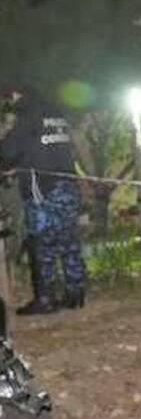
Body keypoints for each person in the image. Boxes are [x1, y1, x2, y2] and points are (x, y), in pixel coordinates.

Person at [0, 89, 86, 316]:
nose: (9, 103)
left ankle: (45, 298)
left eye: (9, 98)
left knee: (41, 244)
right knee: (68, 240)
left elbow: (8, 151)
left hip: (42, 190)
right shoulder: (57, 114)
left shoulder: (28, 116)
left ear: (17, 94)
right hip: (67, 184)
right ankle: (75, 292)